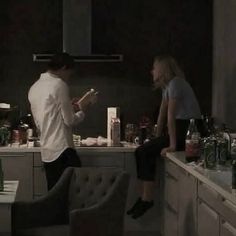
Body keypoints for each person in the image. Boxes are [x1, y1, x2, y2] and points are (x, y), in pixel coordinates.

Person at [127, 55, 203, 219]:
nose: (151, 71)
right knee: (142, 150)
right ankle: (144, 197)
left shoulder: (176, 83)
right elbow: (162, 113)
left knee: (143, 152)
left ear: (162, 70)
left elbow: (171, 115)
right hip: (182, 127)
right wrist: (155, 136)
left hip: (190, 129)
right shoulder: (167, 86)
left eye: (154, 68)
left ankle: (147, 198)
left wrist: (173, 145)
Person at [28, 52, 97, 190]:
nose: (68, 78)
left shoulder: (34, 87)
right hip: (63, 150)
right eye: (69, 74)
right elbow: (69, 121)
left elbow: (49, 115)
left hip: (47, 151)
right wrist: (83, 109)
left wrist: (70, 106)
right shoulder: (59, 85)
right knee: (73, 196)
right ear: (64, 68)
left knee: (54, 197)